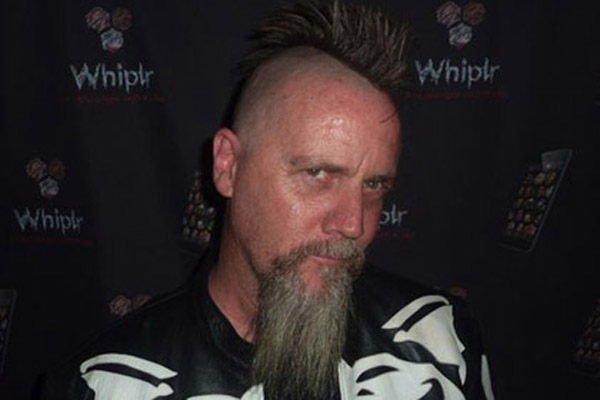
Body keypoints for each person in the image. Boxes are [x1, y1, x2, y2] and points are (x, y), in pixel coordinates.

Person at [37, 1, 494, 399]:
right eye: (318, 173)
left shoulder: (440, 341)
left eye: (374, 185)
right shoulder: (106, 386)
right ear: (228, 166)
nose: (353, 223)